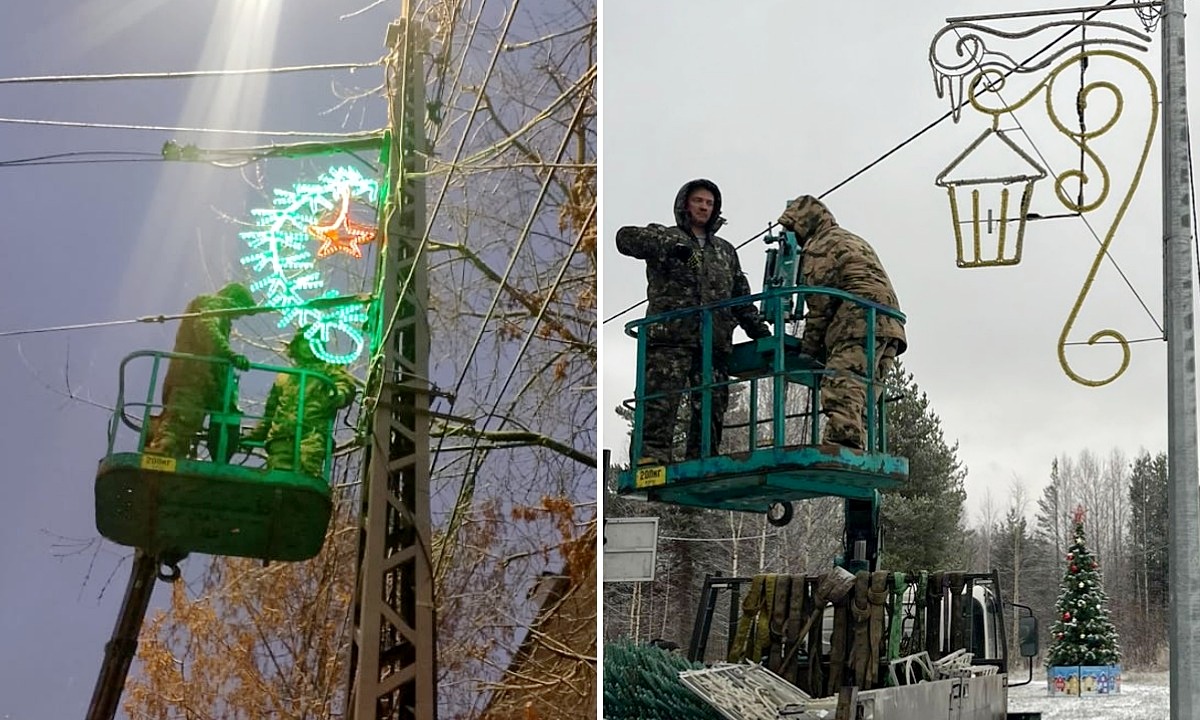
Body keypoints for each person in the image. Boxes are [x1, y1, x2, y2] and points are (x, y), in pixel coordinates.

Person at [617, 179, 771, 464]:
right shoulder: (666, 236)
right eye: (699, 201)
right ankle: (651, 456)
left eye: (709, 203)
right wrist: (672, 247)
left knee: (712, 405)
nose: (704, 207)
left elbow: (741, 299)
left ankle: (703, 458)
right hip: (671, 338)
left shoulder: (725, 251)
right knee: (660, 401)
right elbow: (624, 238)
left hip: (714, 343)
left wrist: (761, 333)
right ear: (685, 204)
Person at [776, 195, 907, 450]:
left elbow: (819, 306)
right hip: (890, 325)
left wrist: (809, 350)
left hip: (857, 321)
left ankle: (842, 441)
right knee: (865, 391)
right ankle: (857, 444)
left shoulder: (819, 246)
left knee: (839, 381)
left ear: (803, 225)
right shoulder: (851, 239)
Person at [146, 282, 257, 458]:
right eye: (241, 311)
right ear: (235, 300)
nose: (238, 317)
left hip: (198, 382)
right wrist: (231, 355)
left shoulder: (216, 310)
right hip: (191, 380)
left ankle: (167, 456)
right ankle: (160, 460)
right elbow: (206, 329)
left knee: (185, 427)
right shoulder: (214, 304)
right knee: (179, 425)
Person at [246, 329, 357, 477]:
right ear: (296, 345)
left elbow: (344, 384)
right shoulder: (284, 377)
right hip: (281, 436)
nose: (307, 346)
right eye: (304, 342)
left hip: (312, 433)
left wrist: (338, 395)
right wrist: (255, 435)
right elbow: (271, 412)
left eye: (312, 342)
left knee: (306, 473)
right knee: (277, 478)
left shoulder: (328, 370)